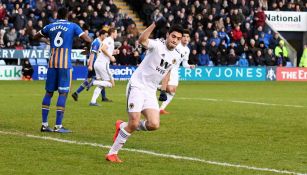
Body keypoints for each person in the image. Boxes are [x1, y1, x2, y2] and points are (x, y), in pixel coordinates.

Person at [105, 21, 183, 162]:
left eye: (178, 38)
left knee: (154, 124)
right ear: (167, 35)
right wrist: (154, 24)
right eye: (173, 36)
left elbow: (167, 72)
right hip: (137, 85)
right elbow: (141, 40)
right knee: (134, 122)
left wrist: (163, 90)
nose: (175, 40)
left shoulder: (177, 55)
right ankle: (112, 153)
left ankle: (122, 126)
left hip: (150, 90)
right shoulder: (157, 44)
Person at [34, 7, 92, 133]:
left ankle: (44, 125)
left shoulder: (50, 26)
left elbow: (35, 37)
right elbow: (88, 40)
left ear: (57, 15)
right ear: (67, 15)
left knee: (48, 93)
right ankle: (58, 126)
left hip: (52, 63)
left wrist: (47, 40)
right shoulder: (73, 26)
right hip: (64, 64)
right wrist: (86, 50)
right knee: (63, 93)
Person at [159, 29, 195, 114]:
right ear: (180, 38)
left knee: (172, 92)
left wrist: (189, 66)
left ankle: (160, 109)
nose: (186, 38)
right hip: (168, 67)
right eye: (184, 36)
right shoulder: (176, 45)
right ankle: (155, 86)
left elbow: (184, 63)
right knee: (171, 89)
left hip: (175, 69)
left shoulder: (187, 50)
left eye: (187, 37)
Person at [71, 30, 112, 102]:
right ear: (101, 35)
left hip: (94, 63)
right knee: (102, 79)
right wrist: (90, 65)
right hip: (95, 63)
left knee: (92, 79)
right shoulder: (97, 42)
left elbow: (92, 52)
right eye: (105, 35)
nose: (106, 37)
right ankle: (102, 96)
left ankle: (76, 93)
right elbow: (93, 53)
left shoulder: (99, 42)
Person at [89, 28, 117, 106]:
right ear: (112, 33)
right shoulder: (110, 40)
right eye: (116, 33)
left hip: (98, 63)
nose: (116, 34)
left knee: (101, 85)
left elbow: (103, 51)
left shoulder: (107, 40)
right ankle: (93, 82)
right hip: (102, 64)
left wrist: (114, 53)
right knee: (110, 84)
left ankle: (93, 101)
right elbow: (103, 49)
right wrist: (111, 57)